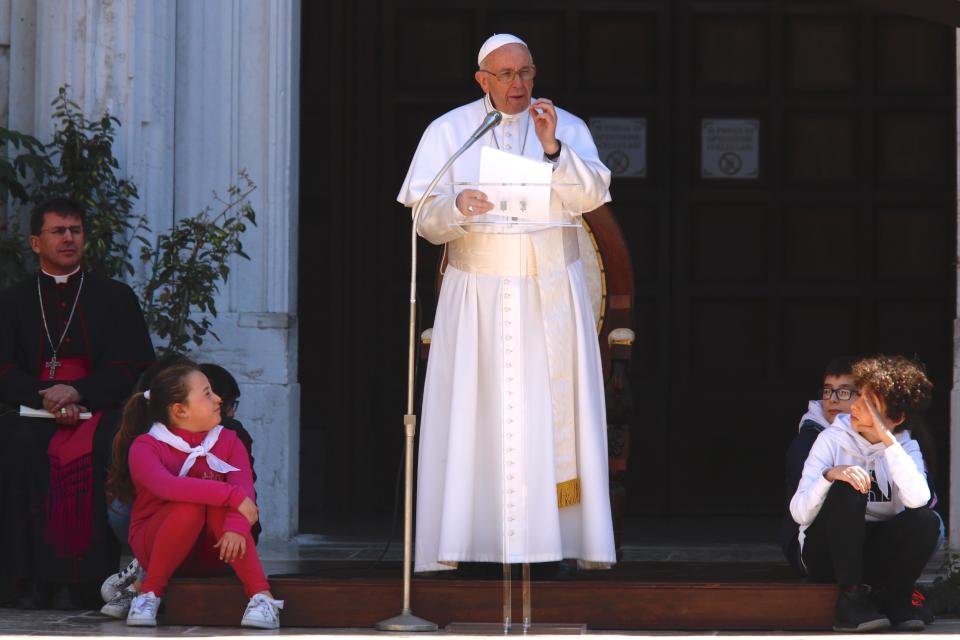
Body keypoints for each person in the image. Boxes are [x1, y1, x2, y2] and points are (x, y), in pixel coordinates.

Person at [397, 33, 616, 572]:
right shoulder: (449, 130)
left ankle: (555, 543)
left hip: (551, 295)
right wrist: (457, 205)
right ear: (483, 80)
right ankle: (471, 541)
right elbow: (422, 217)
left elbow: (591, 197)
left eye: (525, 73)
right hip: (478, 297)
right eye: (505, 75)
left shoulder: (566, 125)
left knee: (546, 416)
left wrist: (552, 149)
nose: (518, 85)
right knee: (480, 413)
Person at [0, 197, 155, 608]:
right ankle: (26, 582)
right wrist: (46, 395)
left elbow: (131, 364)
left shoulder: (115, 296)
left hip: (99, 407)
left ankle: (87, 584)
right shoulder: (12, 300)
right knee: (18, 445)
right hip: (31, 409)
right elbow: (2, 367)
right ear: (36, 242)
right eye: (58, 231)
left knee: (106, 444)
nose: (69, 238)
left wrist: (79, 390)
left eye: (76, 231)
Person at [105, 361, 282, 628]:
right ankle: (149, 592)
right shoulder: (146, 446)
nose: (219, 399)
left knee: (217, 504)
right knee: (190, 504)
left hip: (216, 552)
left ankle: (261, 596)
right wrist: (231, 495)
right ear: (180, 410)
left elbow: (245, 492)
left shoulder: (230, 440)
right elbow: (167, 486)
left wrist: (235, 527)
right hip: (156, 549)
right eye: (208, 393)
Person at [789, 355, 940, 632]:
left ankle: (895, 598)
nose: (854, 407)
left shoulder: (906, 447)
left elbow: (918, 500)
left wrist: (888, 442)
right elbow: (798, 512)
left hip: (873, 554)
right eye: (858, 397)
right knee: (849, 489)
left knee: (927, 521)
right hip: (827, 555)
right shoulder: (830, 439)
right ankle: (851, 601)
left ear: (895, 417)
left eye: (867, 403)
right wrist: (829, 476)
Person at [781, 356, 859, 572]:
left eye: (843, 392)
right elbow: (806, 509)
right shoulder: (808, 442)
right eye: (827, 391)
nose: (832, 399)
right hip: (813, 543)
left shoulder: (887, 437)